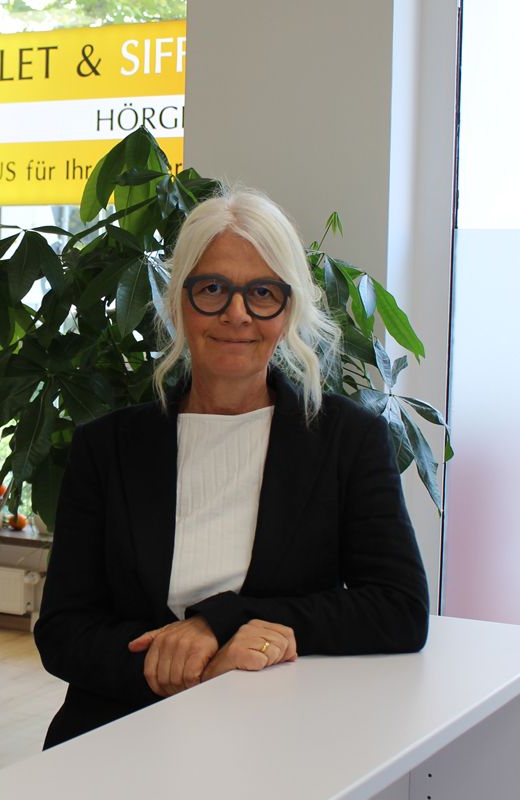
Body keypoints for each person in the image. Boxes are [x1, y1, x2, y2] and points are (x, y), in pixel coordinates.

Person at [34, 188, 429, 748]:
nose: (236, 313)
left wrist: (220, 621)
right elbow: (63, 631)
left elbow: (400, 608)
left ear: (287, 311)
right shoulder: (106, 448)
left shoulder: (348, 441)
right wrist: (190, 671)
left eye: (262, 292)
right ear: (179, 302)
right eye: (213, 289)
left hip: (279, 738)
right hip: (117, 734)